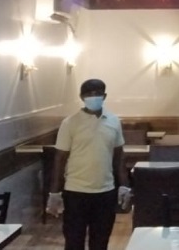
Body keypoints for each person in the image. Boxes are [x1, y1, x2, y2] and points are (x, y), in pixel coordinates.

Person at [46, 79, 131, 250]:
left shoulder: (114, 121)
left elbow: (119, 156)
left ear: (104, 96)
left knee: (100, 242)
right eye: (89, 94)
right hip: (76, 192)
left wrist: (124, 186)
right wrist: (54, 192)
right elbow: (60, 158)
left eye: (98, 93)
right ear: (81, 97)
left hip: (105, 192)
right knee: (74, 242)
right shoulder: (70, 123)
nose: (94, 97)